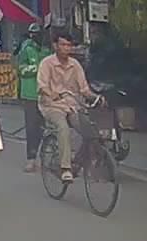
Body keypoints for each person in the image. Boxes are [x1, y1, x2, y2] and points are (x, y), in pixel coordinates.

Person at [37, 31, 101, 182]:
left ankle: (78, 162)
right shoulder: (47, 63)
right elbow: (42, 86)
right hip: (52, 106)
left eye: (69, 45)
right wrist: (51, 94)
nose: (66, 48)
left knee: (90, 131)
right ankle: (65, 168)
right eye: (63, 45)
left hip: (72, 106)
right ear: (55, 46)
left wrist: (96, 97)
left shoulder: (75, 65)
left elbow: (84, 89)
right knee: (63, 128)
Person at [16, 23, 51, 172]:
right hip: (30, 93)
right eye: (32, 33)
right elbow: (21, 69)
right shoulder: (26, 48)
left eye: (37, 33)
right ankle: (31, 158)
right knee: (31, 127)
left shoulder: (47, 50)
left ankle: (42, 155)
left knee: (43, 127)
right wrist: (37, 68)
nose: (34, 36)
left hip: (45, 93)